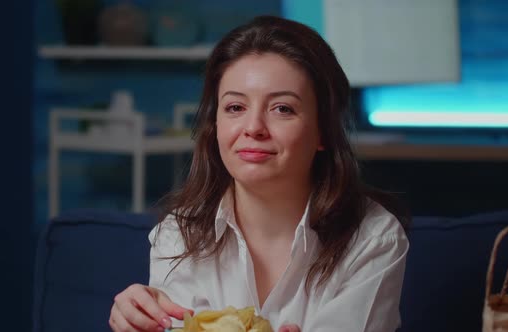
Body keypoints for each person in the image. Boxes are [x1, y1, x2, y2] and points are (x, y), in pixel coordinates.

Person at [109, 15, 409, 332]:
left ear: (323, 130)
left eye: (282, 108)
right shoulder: (177, 237)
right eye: (235, 108)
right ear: (215, 126)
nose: (253, 128)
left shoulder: (374, 239)